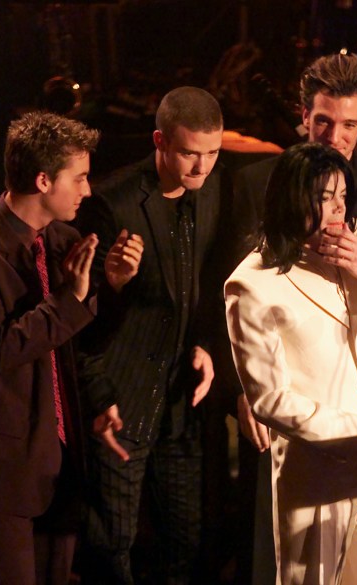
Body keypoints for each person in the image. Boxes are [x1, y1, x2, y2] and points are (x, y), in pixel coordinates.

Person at [0, 111, 142, 585]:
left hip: (59, 461)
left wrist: (108, 288)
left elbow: (77, 342)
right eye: (81, 178)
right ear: (43, 180)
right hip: (0, 468)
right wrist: (71, 299)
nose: (88, 191)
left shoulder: (64, 241)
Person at [225, 142, 357, 585]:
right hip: (318, 471)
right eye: (325, 198)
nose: (339, 211)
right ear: (294, 200)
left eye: (342, 197)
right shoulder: (252, 283)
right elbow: (271, 400)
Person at [73, 86, 230, 585]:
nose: (202, 167)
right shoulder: (111, 202)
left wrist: (205, 342)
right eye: (189, 153)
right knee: (112, 546)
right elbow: (77, 318)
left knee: (185, 542)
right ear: (159, 141)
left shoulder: (215, 190)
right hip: (121, 402)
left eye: (212, 153)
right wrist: (114, 285)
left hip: (181, 406)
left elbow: (208, 282)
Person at [235, 52, 357, 433]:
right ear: (305, 116)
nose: (334, 138)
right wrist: (245, 390)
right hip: (295, 408)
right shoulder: (256, 184)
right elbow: (234, 299)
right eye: (323, 121)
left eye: (349, 124)